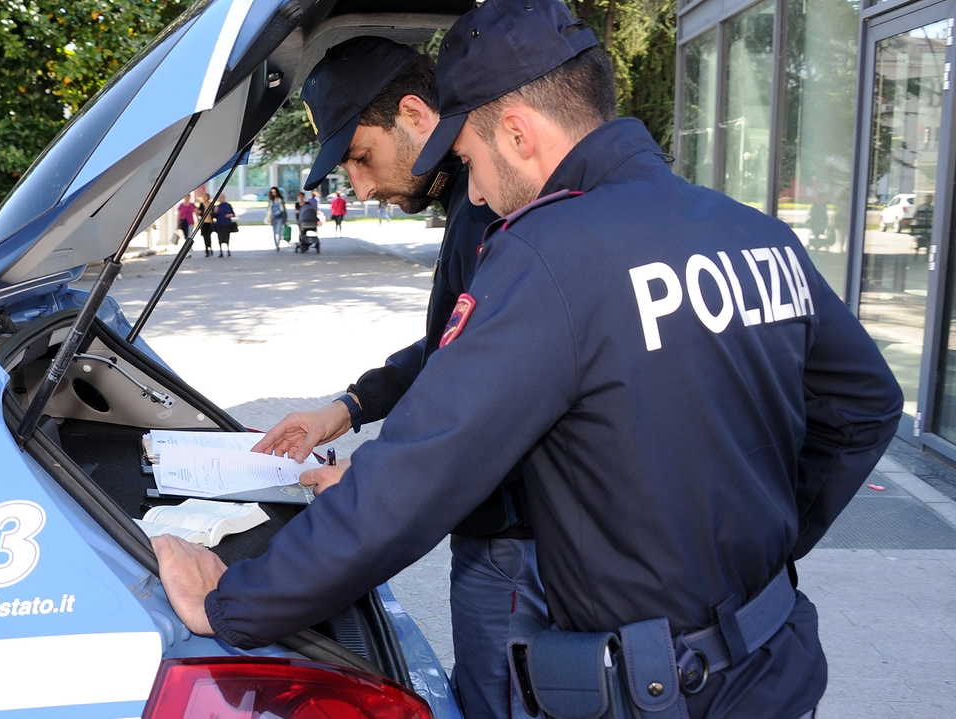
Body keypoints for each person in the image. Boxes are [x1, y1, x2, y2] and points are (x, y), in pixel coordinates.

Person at [155, 1, 904, 717]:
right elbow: (866, 404)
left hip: (662, 690)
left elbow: (417, 476)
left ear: (516, 133)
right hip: (778, 663)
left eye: (471, 156)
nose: (473, 188)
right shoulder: (754, 234)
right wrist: (768, 541)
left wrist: (232, 599)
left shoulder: (549, 254)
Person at [160, 36, 540, 719]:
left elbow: (464, 416)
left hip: (513, 547)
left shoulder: (489, 213)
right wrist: (349, 406)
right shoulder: (471, 207)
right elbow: (453, 348)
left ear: (418, 117)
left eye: (361, 156)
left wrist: (361, 488)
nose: (360, 186)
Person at [196, 193, 214, 257]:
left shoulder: (211, 204)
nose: (204, 198)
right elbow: (199, 212)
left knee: (208, 236)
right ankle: (206, 249)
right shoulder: (201, 204)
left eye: (205, 196)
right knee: (204, 236)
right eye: (203, 197)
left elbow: (214, 212)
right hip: (203, 222)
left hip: (209, 222)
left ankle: (210, 247)